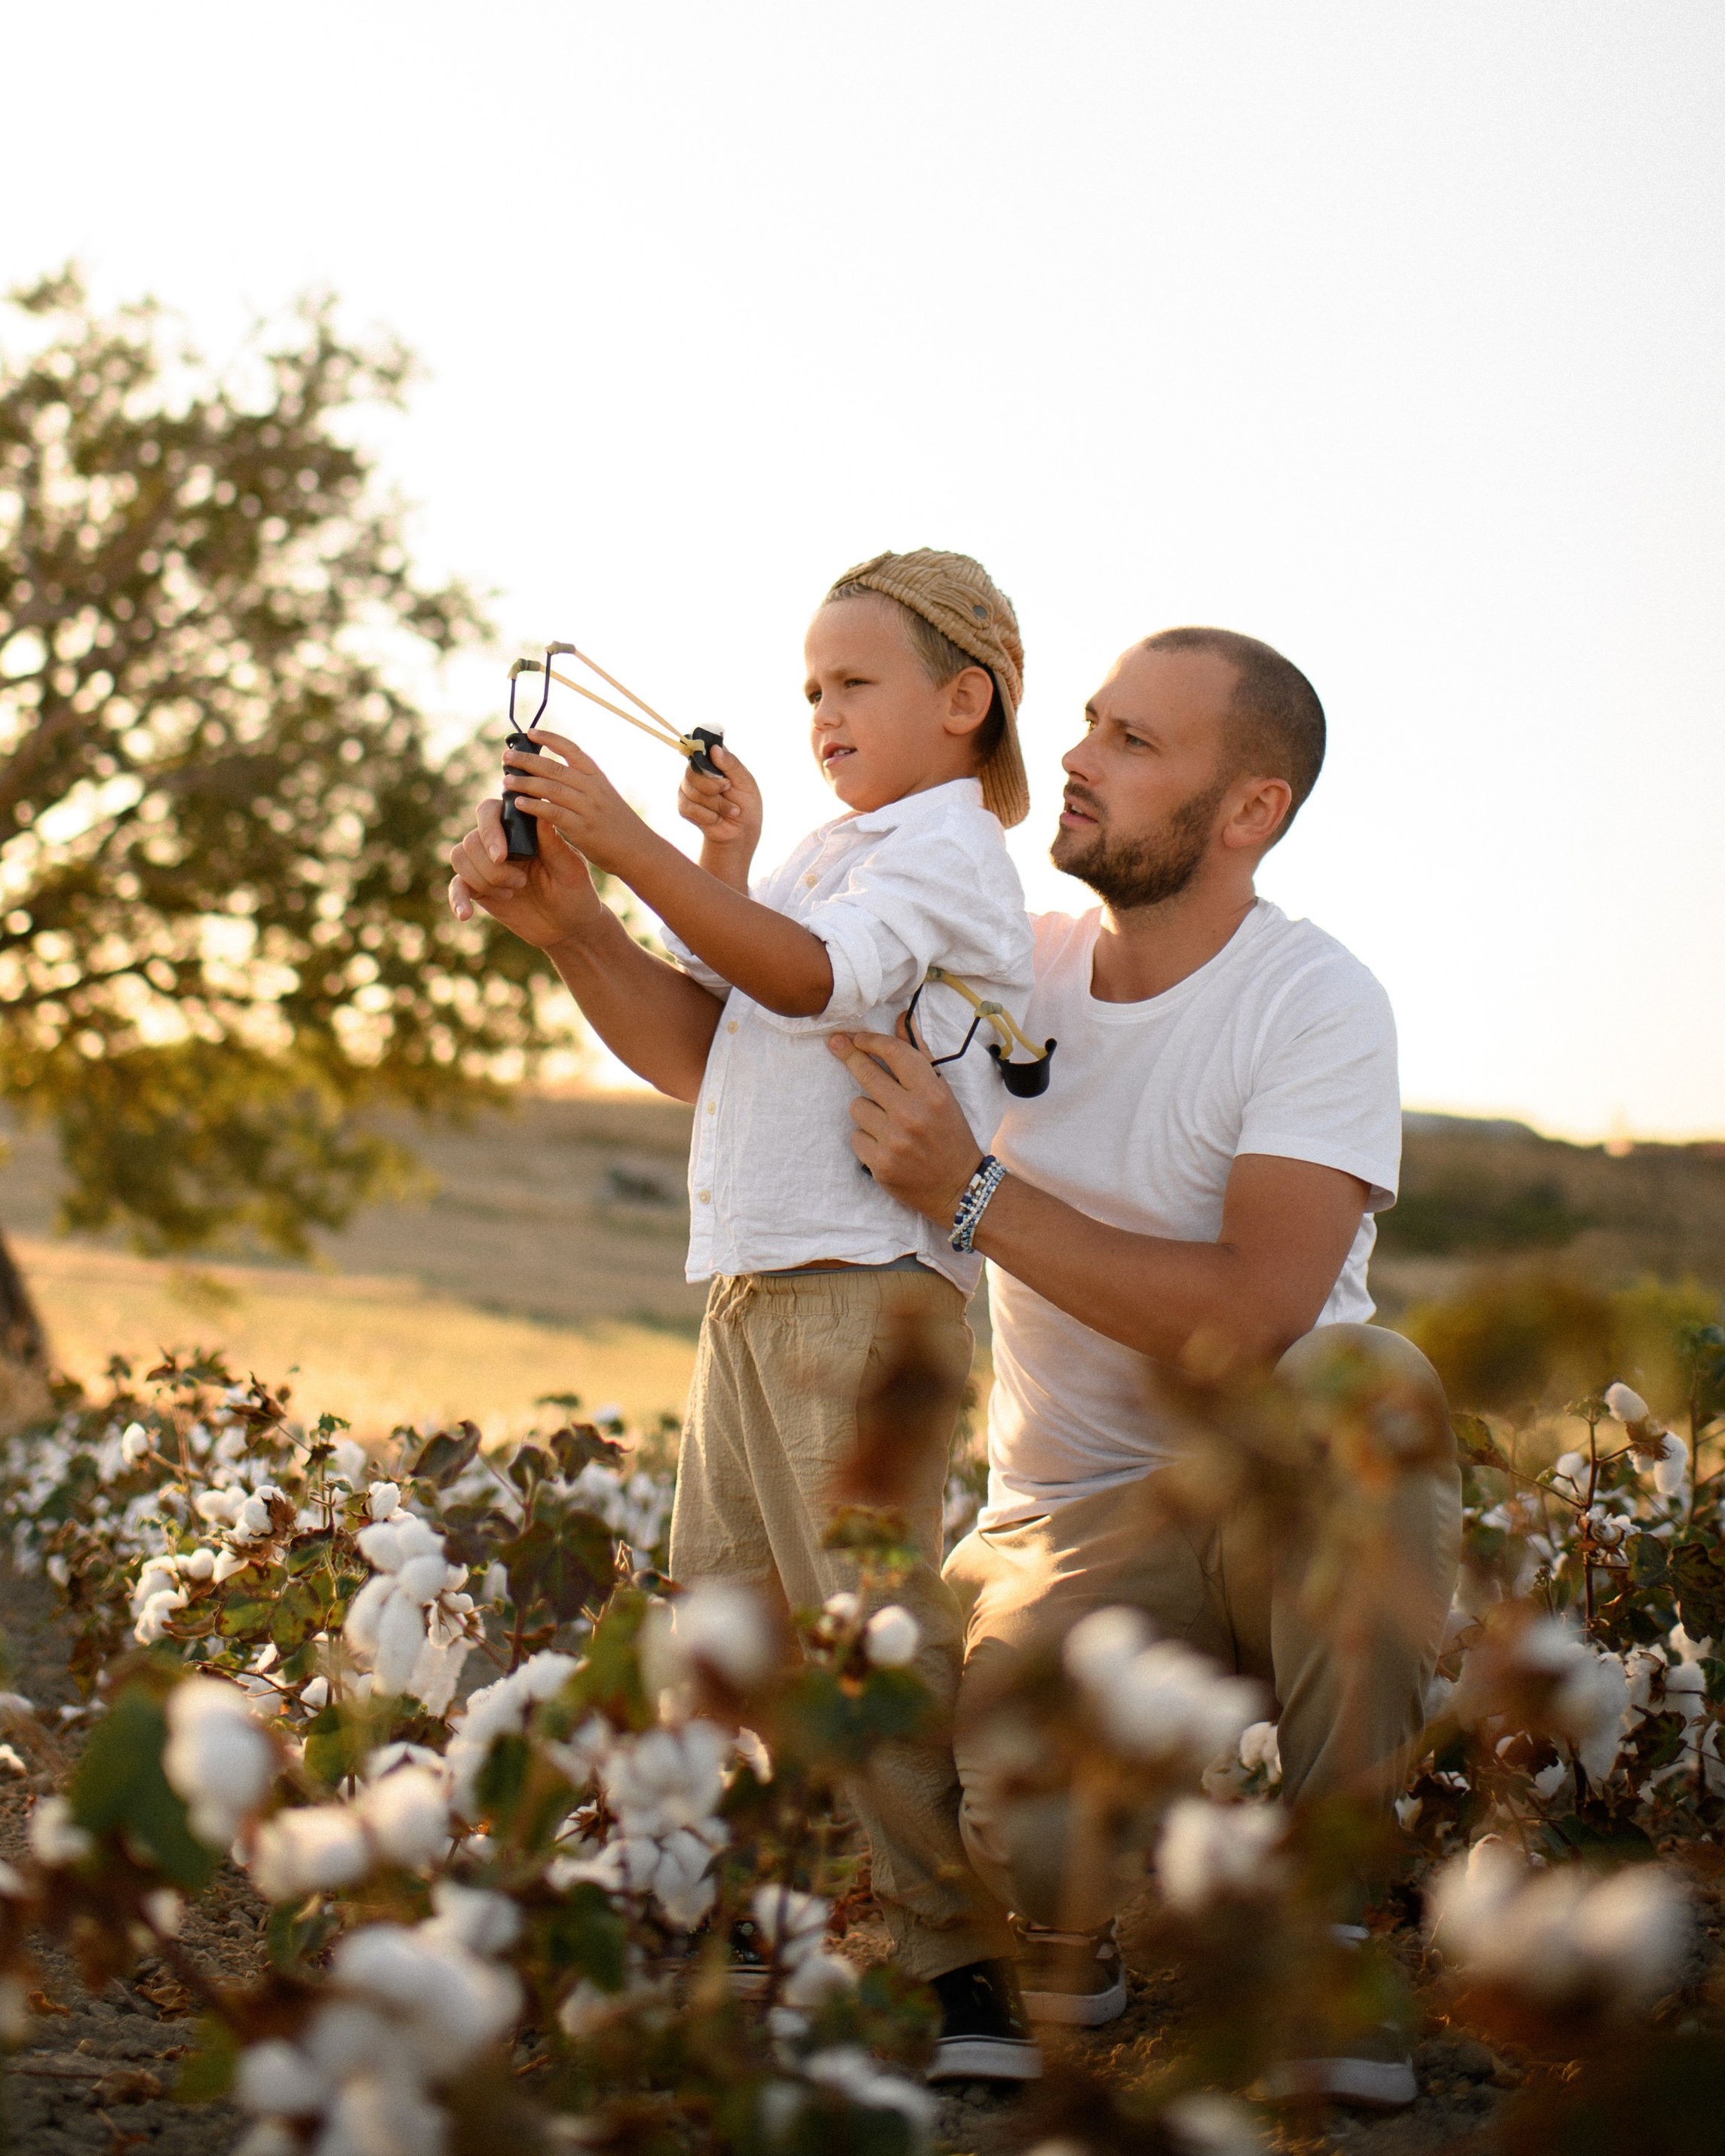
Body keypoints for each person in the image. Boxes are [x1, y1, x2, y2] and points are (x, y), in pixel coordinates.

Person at [829, 627, 1462, 2112]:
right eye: (1088, 724)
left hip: (1271, 1505)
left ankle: (1330, 1928)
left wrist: (971, 1192)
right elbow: (755, 1024)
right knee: (1021, 1829)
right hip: (1057, 1528)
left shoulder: (1311, 999)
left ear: (1245, 810)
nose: (1071, 756)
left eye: (1130, 740)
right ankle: (1069, 1920)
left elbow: (1254, 1308)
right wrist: (581, 923)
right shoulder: (1008, 967)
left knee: (1359, 1381)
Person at [447, 550, 1047, 2079]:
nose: (821, 713)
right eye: (808, 690)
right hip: (755, 1289)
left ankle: (961, 1971)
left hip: (858, 1295)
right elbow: (695, 1049)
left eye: (852, 683)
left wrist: (643, 844)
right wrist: (575, 916)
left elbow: (810, 976)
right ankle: (705, 1927)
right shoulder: (832, 856)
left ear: (962, 700)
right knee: (723, 1632)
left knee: (865, 1635)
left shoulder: (945, 854)